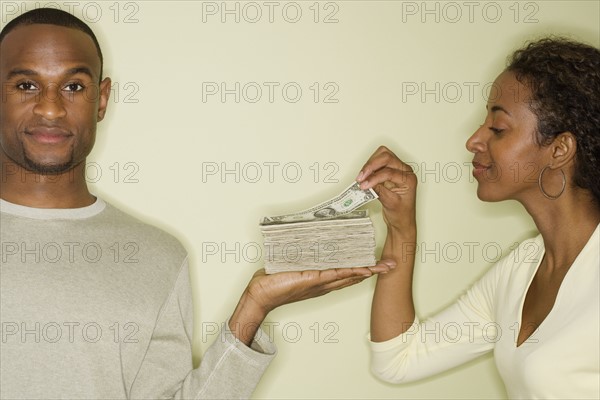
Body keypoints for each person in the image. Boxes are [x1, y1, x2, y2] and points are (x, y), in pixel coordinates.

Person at [0, 8, 394, 399]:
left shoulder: (157, 256)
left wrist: (252, 310)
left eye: (73, 87)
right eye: (25, 86)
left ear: (101, 100)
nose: (50, 108)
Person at [357, 37, 600, 398]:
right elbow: (398, 359)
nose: (474, 140)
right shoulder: (521, 270)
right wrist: (401, 227)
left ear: (560, 149)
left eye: (498, 129)